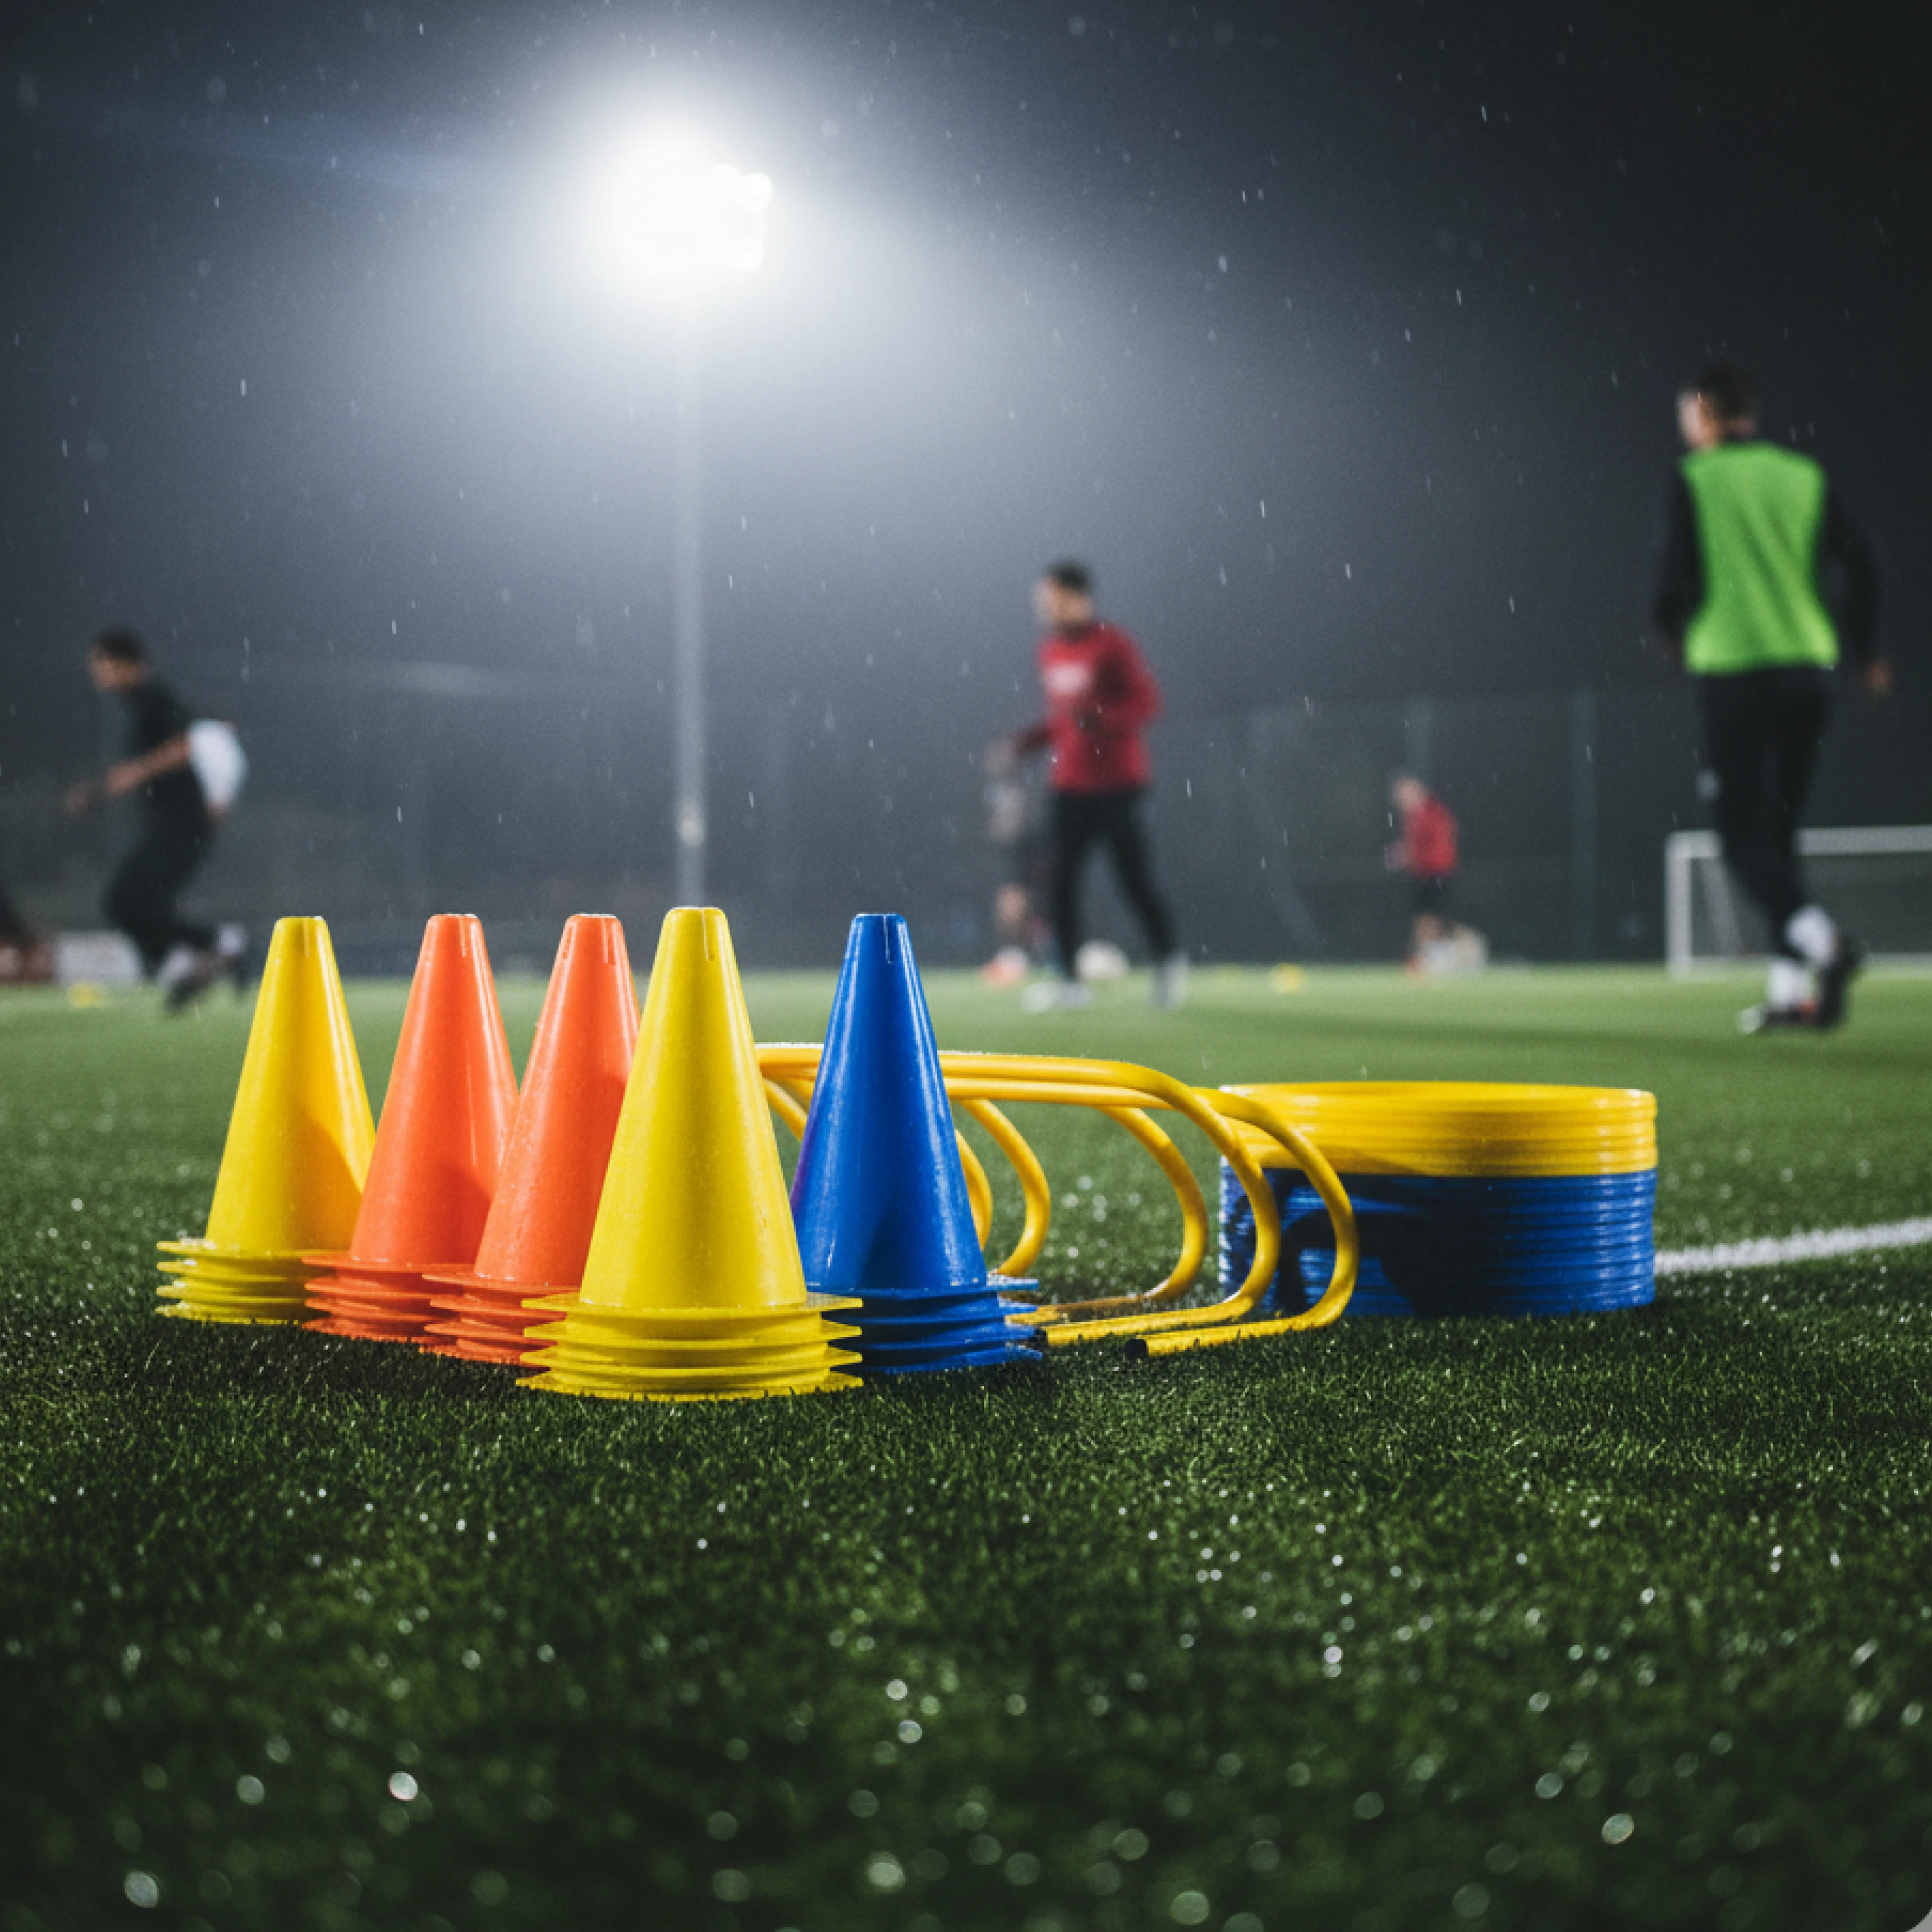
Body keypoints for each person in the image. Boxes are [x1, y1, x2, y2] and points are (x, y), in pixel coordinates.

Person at [1653, 363, 1886, 1032]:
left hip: (1737, 669)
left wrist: (1672, 632)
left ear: (1702, 412)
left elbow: (1672, 582)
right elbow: (1863, 562)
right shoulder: (1802, 474)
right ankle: (1790, 992)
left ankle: (1825, 946)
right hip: (1811, 671)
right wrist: (1868, 650)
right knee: (1778, 836)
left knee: (1740, 840)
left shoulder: (1696, 477)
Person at [1000, 560, 1184, 1010]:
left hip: (1119, 785)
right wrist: (1029, 740)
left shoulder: (1113, 645)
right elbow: (1063, 720)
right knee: (1061, 883)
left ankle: (1168, 964)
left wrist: (1103, 718)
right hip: (1070, 786)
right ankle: (1068, 981)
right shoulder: (1048, 651)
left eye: (1054, 599)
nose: (1045, 608)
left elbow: (1147, 703)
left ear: (1079, 598)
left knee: (1134, 881)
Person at [64, 628, 245, 1009]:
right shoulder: (140, 704)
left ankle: (206, 951)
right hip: (171, 824)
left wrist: (136, 773)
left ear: (122, 663)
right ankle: (205, 954)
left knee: (122, 901)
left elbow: (184, 745)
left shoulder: (153, 698)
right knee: (135, 902)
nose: (97, 675)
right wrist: (101, 791)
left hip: (180, 824)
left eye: (100, 666)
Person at [1386, 773, 1470, 973]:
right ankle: (1426, 960)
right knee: (1424, 919)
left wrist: (1405, 855)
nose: (1401, 801)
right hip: (1424, 873)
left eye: (1404, 794)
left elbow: (1432, 844)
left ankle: (1436, 959)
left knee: (1430, 918)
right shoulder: (1414, 816)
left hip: (1436, 872)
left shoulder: (1430, 813)